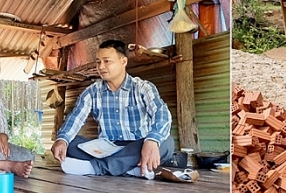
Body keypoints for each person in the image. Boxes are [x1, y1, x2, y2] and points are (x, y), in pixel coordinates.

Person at [50, 39, 195, 182]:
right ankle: (130, 169)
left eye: (107, 61)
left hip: (137, 146)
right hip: (105, 148)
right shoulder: (92, 92)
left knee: (166, 143)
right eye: (98, 62)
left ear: (123, 61)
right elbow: (75, 117)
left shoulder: (143, 87)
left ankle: (96, 168)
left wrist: (152, 140)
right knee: (70, 143)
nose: (101, 66)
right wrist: (62, 139)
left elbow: (161, 113)